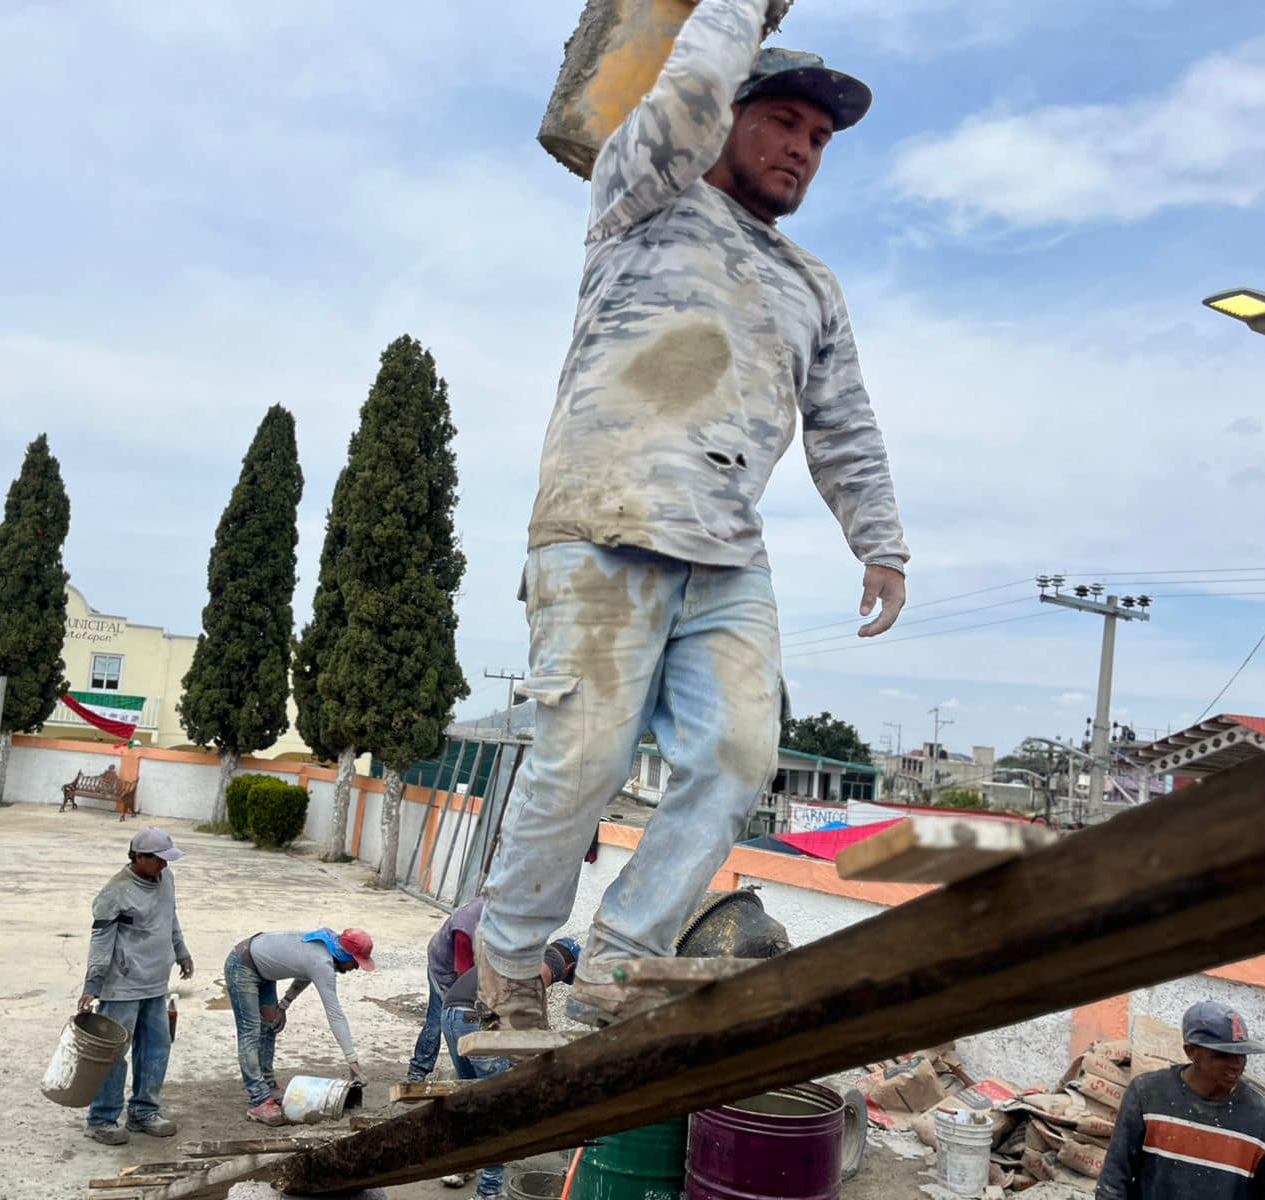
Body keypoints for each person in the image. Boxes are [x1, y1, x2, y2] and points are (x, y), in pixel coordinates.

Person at [478, 0, 909, 1032]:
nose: (802, 149)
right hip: (602, 523)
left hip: (724, 554)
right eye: (784, 123)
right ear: (730, 117)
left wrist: (880, 540)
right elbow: (687, 89)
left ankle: (622, 959)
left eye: (818, 139)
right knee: (580, 758)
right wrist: (738, 8)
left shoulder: (813, 283)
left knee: (736, 756)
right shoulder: (647, 194)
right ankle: (506, 958)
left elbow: (842, 420)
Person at [1098, 1001, 1265, 1199]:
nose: (1236, 1064)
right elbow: (1114, 1179)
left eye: (1242, 1055)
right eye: (1223, 1055)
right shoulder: (1147, 1095)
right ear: (1191, 1052)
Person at [78, 827, 194, 1145]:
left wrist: (181, 952)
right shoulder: (114, 892)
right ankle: (101, 1118)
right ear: (139, 857)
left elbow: (171, 918)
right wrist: (93, 983)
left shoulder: (166, 880)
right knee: (114, 1053)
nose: (165, 866)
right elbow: (101, 939)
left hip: (156, 982)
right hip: (123, 985)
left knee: (157, 1047)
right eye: (159, 860)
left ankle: (144, 1111)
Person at [442, 940, 580, 1200]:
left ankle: (461, 1166)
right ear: (569, 965)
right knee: (499, 1108)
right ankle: (489, 1191)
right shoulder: (552, 962)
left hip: (456, 1014)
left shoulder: (522, 954)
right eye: (566, 977)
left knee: (472, 1096)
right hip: (475, 1017)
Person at [224, 925, 375, 1125]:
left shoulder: (327, 945)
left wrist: (284, 1004)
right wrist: (352, 1062)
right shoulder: (321, 961)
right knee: (250, 1033)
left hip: (264, 972)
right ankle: (259, 1100)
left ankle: (267, 1084)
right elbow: (335, 1013)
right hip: (242, 965)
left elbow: (305, 973)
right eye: (356, 962)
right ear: (346, 955)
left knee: (270, 1027)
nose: (355, 968)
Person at [408, 898, 484, 1083]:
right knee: (439, 1021)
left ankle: (468, 1063)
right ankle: (418, 1070)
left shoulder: (499, 911)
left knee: (473, 1017)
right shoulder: (465, 928)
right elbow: (463, 979)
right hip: (444, 970)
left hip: (468, 966)